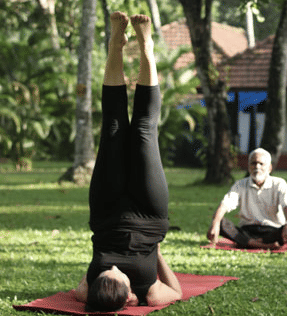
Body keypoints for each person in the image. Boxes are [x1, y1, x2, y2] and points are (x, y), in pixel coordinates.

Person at [73, 12, 182, 312]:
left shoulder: (146, 287)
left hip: (138, 217)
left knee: (138, 128)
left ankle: (119, 45)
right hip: (126, 212)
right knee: (121, 126)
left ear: (127, 297)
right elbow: (81, 291)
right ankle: (141, 45)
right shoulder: (90, 286)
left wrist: (157, 254)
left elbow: (176, 291)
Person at [207, 148, 287, 249]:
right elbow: (225, 204)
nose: (257, 167)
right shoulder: (240, 185)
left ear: (270, 168)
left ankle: (249, 243)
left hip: (271, 230)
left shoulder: (279, 183)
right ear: (249, 167)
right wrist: (215, 223)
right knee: (221, 222)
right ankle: (262, 245)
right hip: (247, 230)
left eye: (261, 164)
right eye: (253, 163)